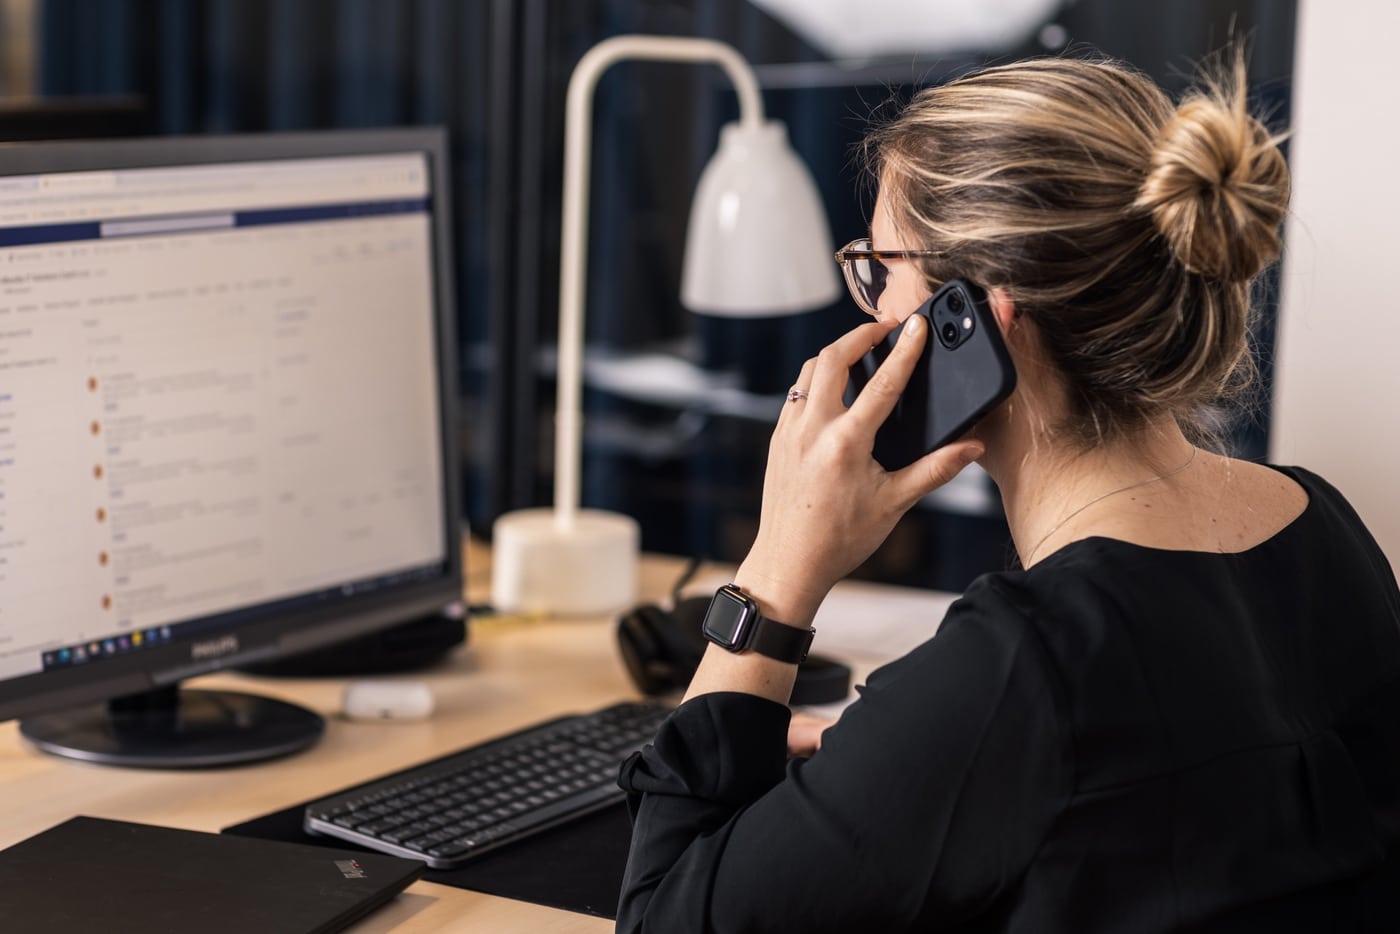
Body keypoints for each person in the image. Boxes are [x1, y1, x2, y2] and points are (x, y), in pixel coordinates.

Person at [614, 53, 1400, 933]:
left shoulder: (1024, 665)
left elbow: (659, 920)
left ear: (981, 318)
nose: (865, 310)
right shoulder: (1325, 526)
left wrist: (776, 569)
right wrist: (906, 761)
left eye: (879, 270)